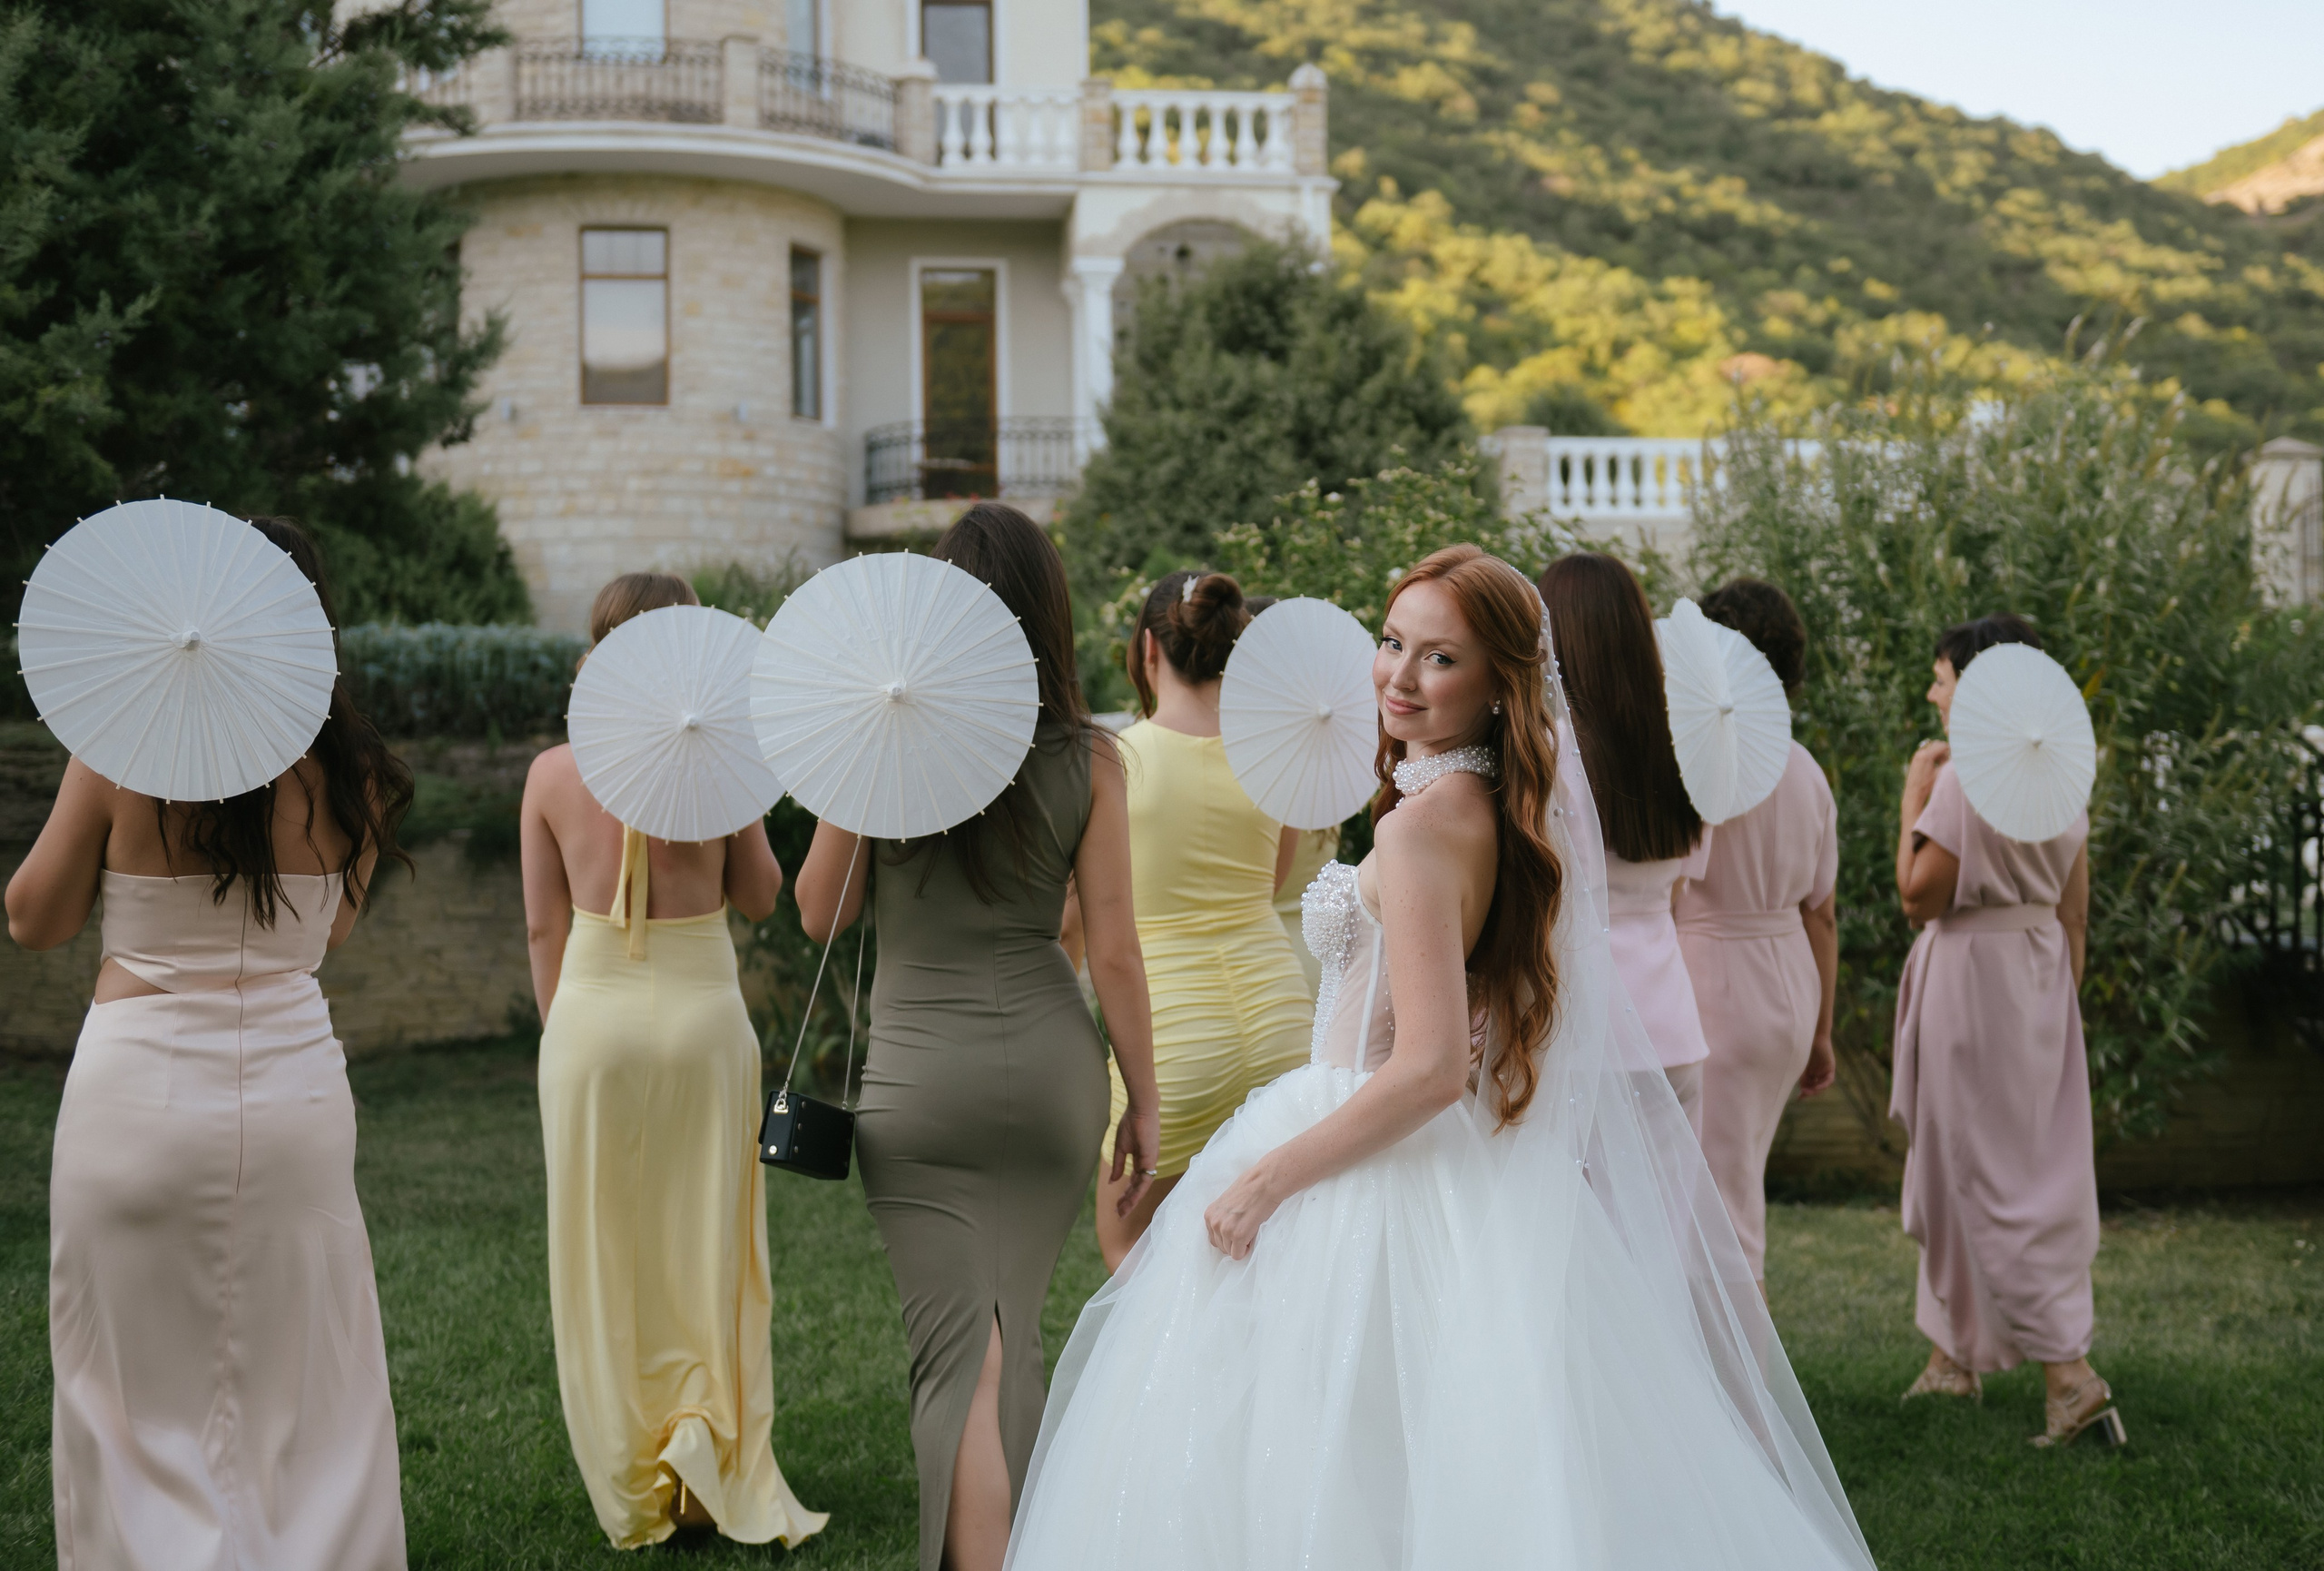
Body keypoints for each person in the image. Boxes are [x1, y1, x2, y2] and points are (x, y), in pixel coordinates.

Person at [1003, 545, 1876, 1571]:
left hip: (1365, 1158)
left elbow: (1423, 1068)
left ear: (1500, 685)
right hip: (1439, 1160)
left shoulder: (1425, 831)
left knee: (1323, 1457)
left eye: (1438, 658)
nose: (1398, 677)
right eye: (1391, 642)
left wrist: (1265, 1181)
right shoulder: (1489, 812)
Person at [8, 516, 412, 1569]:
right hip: (294, 1103)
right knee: (306, 1382)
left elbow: (34, 919)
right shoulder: (352, 776)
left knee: (126, 1388)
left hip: (137, 1095)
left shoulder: (119, 746)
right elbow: (330, 931)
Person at [794, 503, 1160, 1571]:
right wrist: (1141, 1098)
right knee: (1012, 1330)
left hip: (920, 1080)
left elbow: (821, 913)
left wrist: (858, 779)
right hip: (1052, 1072)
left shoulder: (883, 740)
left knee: (961, 1356)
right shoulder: (1092, 759)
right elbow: (1119, 952)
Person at [520, 572, 825, 1549]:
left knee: (605, 1253)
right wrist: (737, 806)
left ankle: (630, 1474)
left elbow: (540, 924)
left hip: (590, 1023)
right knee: (707, 1247)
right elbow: (762, 895)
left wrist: (562, 1032)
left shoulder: (550, 773)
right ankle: (705, 1442)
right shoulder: (718, 764)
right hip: (702, 1023)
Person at [1893, 613, 2119, 1447]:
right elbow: (2076, 910)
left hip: (1974, 983)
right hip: (2040, 979)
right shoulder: (2060, 776)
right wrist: (2057, 1005)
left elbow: (1919, 894)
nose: (1933, 693)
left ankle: (2070, 1376)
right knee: (2010, 1169)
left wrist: (1914, 794)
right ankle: (1953, 1356)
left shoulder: (1963, 781)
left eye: (1943, 677)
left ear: (1979, 686)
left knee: (1983, 1179)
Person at [1097, 569, 1312, 1269]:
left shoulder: (1115, 760)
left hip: (1172, 1037)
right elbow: (1272, 879)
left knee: (1129, 1250)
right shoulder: (1272, 751)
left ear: (1149, 652)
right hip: (1281, 1023)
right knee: (1273, 1260)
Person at [1675, 578, 1841, 1289]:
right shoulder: (1806, 771)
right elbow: (1822, 913)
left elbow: (1674, 882)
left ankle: (1735, 1389)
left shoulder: (1702, 762)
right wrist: (1823, 1029)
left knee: (1718, 1204)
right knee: (1735, 1181)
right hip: (1790, 986)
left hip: (1715, 983)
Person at [1535, 552, 1713, 1130]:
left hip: (1585, 1026)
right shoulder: (1685, 746)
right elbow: (1685, 881)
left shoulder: (1551, 749)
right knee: (1664, 1218)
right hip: (1674, 1025)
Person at [1246, 594, 1341, 999]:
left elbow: (1264, 883)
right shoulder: (1324, 739)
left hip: (1270, 963)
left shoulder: (1260, 758)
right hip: (1327, 960)